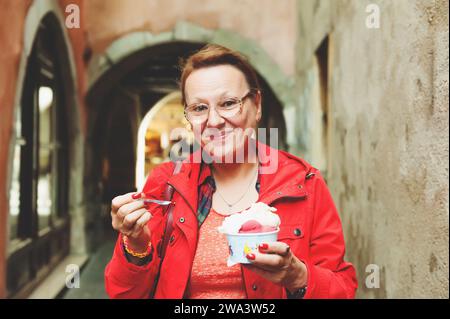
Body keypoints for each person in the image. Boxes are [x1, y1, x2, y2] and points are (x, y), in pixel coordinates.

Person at [104, 44, 358, 299]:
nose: (213, 121)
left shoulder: (304, 183)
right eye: (199, 108)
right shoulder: (166, 182)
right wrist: (136, 245)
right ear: (189, 117)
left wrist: (297, 276)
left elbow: (343, 290)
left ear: (256, 105)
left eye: (228, 103)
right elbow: (124, 294)